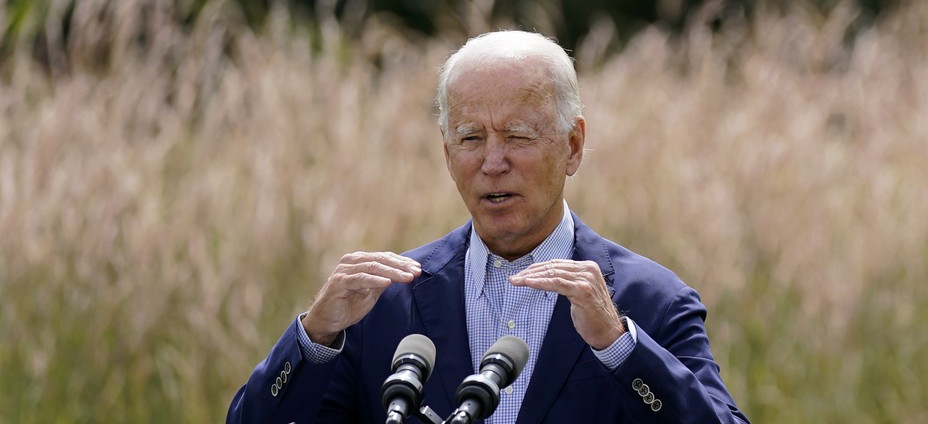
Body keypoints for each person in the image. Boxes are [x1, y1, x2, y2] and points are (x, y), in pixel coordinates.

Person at [227, 30, 750, 424]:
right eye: (471, 138)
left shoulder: (648, 301)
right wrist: (314, 338)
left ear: (572, 146)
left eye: (518, 136)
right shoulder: (384, 301)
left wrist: (618, 347)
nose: (492, 162)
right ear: (446, 150)